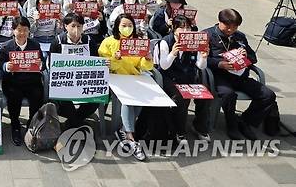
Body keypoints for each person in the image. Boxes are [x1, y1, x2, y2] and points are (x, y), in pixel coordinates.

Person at [203, 9, 276, 140]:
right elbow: (200, 60)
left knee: (268, 95)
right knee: (228, 94)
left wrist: (246, 55)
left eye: (234, 27)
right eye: (227, 26)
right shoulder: (207, 35)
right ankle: (232, 125)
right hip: (219, 77)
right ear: (220, 22)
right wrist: (219, 64)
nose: (231, 30)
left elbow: (253, 57)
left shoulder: (240, 37)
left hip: (240, 76)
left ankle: (245, 121)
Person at [98, 14, 153, 161]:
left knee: (143, 97)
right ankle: (130, 137)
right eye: (123, 25)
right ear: (117, 26)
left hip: (133, 78)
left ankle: (123, 130)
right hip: (113, 79)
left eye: (130, 25)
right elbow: (105, 66)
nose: (127, 28)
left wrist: (147, 59)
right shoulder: (108, 42)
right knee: (128, 99)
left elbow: (143, 66)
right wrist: (115, 59)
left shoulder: (138, 43)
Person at [154, 15, 211, 144]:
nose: (185, 31)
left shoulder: (194, 43)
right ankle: (179, 131)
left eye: (187, 27)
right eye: (181, 27)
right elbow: (163, 65)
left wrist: (203, 56)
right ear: (174, 28)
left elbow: (201, 66)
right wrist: (173, 53)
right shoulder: (165, 42)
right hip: (169, 78)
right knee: (180, 97)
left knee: (205, 96)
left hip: (188, 77)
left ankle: (200, 127)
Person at [0, 16, 46, 146]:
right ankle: (15, 125)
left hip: (31, 81)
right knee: (14, 97)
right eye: (19, 30)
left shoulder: (35, 45)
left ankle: (32, 123)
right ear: (13, 31)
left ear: (29, 31)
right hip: (13, 82)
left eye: (25, 30)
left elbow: (43, 65)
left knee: (37, 94)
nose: (22, 33)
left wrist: (40, 64)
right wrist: (6, 66)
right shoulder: (6, 47)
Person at [49, 13, 103, 129]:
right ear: (65, 26)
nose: (76, 29)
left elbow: (96, 62)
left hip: (85, 83)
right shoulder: (57, 42)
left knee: (96, 100)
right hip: (64, 84)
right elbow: (51, 65)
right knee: (62, 102)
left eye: (79, 26)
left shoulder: (89, 41)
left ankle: (73, 123)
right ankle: (77, 124)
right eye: (73, 26)